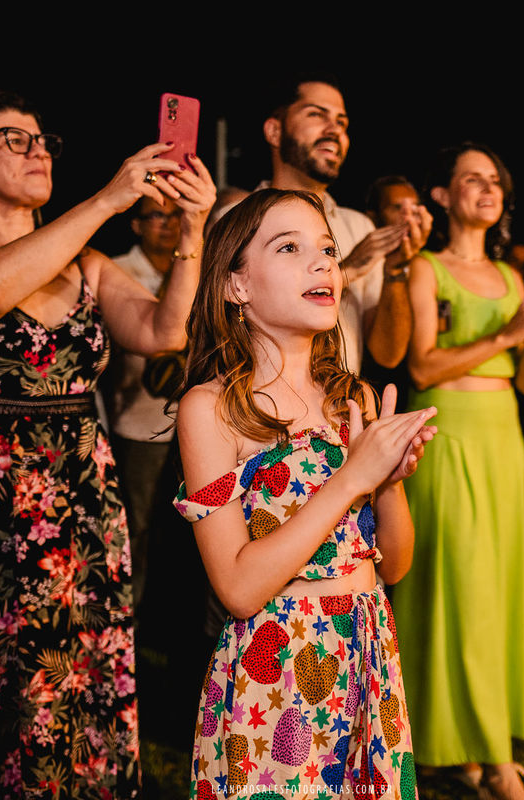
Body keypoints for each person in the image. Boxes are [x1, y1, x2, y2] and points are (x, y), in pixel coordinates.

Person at [0, 91, 215, 798]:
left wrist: (194, 226)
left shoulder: (85, 265)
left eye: (44, 141)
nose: (39, 151)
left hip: (74, 503)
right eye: (16, 139)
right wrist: (104, 200)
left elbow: (162, 331)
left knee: (64, 677)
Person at [173, 189, 437, 797]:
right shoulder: (212, 409)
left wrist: (389, 484)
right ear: (236, 284)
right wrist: (352, 477)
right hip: (279, 668)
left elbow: (394, 565)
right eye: (289, 248)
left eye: (326, 250)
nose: (322, 264)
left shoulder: (356, 400)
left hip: (365, 648)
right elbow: (238, 589)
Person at [388, 144, 524, 800]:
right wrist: (509, 334)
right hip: (449, 433)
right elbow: (422, 368)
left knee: (494, 594)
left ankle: (466, 744)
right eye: (472, 179)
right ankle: (496, 764)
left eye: (494, 181)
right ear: (444, 194)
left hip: (502, 440)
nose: (486, 189)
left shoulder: (514, 278)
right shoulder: (427, 270)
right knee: (453, 588)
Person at [215, 74, 431, 373]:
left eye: (342, 123)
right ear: (275, 131)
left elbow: (388, 354)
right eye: (316, 114)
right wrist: (349, 269)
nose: (334, 130)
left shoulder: (359, 227)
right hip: (255, 404)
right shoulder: (233, 218)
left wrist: (395, 270)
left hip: (340, 408)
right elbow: (212, 326)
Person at [107, 196, 186, 611]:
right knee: (133, 530)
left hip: (192, 423)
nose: (168, 224)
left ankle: (165, 630)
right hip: (136, 421)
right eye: (157, 215)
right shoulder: (117, 271)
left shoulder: (194, 268)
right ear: (136, 224)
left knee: (181, 536)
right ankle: (126, 625)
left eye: (176, 215)